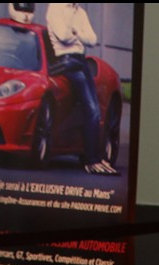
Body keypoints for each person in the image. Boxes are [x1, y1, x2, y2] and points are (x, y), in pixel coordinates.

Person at [46, 4, 115, 174]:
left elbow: (92, 39)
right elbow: (63, 36)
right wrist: (77, 33)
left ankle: (95, 158)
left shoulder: (81, 12)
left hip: (80, 60)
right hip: (66, 61)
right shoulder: (55, 8)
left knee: (95, 111)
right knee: (91, 109)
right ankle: (91, 160)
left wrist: (76, 34)